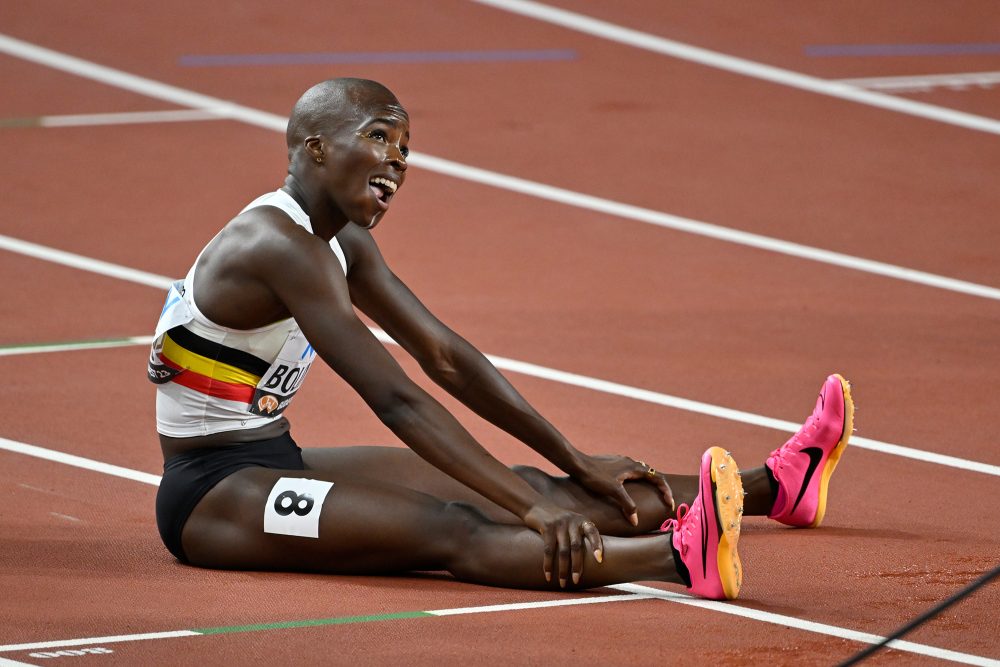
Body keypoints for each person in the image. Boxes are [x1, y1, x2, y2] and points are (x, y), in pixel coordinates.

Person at [148, 78, 854, 600]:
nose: (396, 162)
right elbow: (397, 399)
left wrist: (573, 461)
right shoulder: (276, 244)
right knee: (452, 525)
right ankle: (677, 558)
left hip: (277, 457)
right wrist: (533, 513)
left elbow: (446, 358)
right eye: (378, 137)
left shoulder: (345, 244)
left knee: (538, 485)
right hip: (212, 497)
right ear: (314, 148)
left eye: (405, 149)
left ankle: (775, 487)